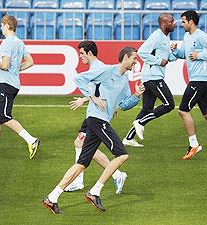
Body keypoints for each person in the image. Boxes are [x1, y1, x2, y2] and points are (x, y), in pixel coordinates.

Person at [42, 46, 144, 214]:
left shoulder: (125, 80)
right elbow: (80, 79)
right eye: (134, 58)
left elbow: (124, 105)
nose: (136, 62)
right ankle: (95, 191)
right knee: (122, 154)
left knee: (82, 163)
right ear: (125, 57)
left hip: (98, 120)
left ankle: (52, 197)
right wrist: (92, 97)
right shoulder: (107, 70)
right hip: (97, 119)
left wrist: (137, 95)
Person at [65, 41, 127, 194]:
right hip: (94, 113)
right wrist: (86, 98)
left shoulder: (99, 68)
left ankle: (115, 175)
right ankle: (116, 175)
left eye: (82, 53)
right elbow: (97, 90)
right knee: (80, 143)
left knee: (82, 144)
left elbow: (101, 92)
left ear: (90, 53)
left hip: (96, 115)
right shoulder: (97, 67)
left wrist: (91, 97)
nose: (80, 56)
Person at [171, 10, 207, 160]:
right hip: (199, 79)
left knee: (183, 111)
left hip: (199, 80)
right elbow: (184, 54)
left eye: (183, 21)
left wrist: (200, 55)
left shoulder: (202, 36)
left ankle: (194, 144)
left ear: (191, 21)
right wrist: (176, 50)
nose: (181, 24)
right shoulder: (186, 36)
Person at [0, 15, 40, 158]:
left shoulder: (6, 42)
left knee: (4, 117)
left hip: (7, 84)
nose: (0, 27)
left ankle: (31, 140)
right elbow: (30, 62)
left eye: (2, 25)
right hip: (11, 83)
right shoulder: (20, 42)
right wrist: (17, 70)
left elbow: (5, 65)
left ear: (8, 25)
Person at [123, 13, 176, 147]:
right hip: (153, 77)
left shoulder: (165, 37)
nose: (174, 23)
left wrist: (174, 52)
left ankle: (129, 138)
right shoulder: (157, 36)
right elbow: (142, 52)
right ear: (164, 23)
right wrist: (159, 61)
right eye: (171, 21)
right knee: (169, 104)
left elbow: (167, 58)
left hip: (151, 76)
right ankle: (140, 123)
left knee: (147, 109)